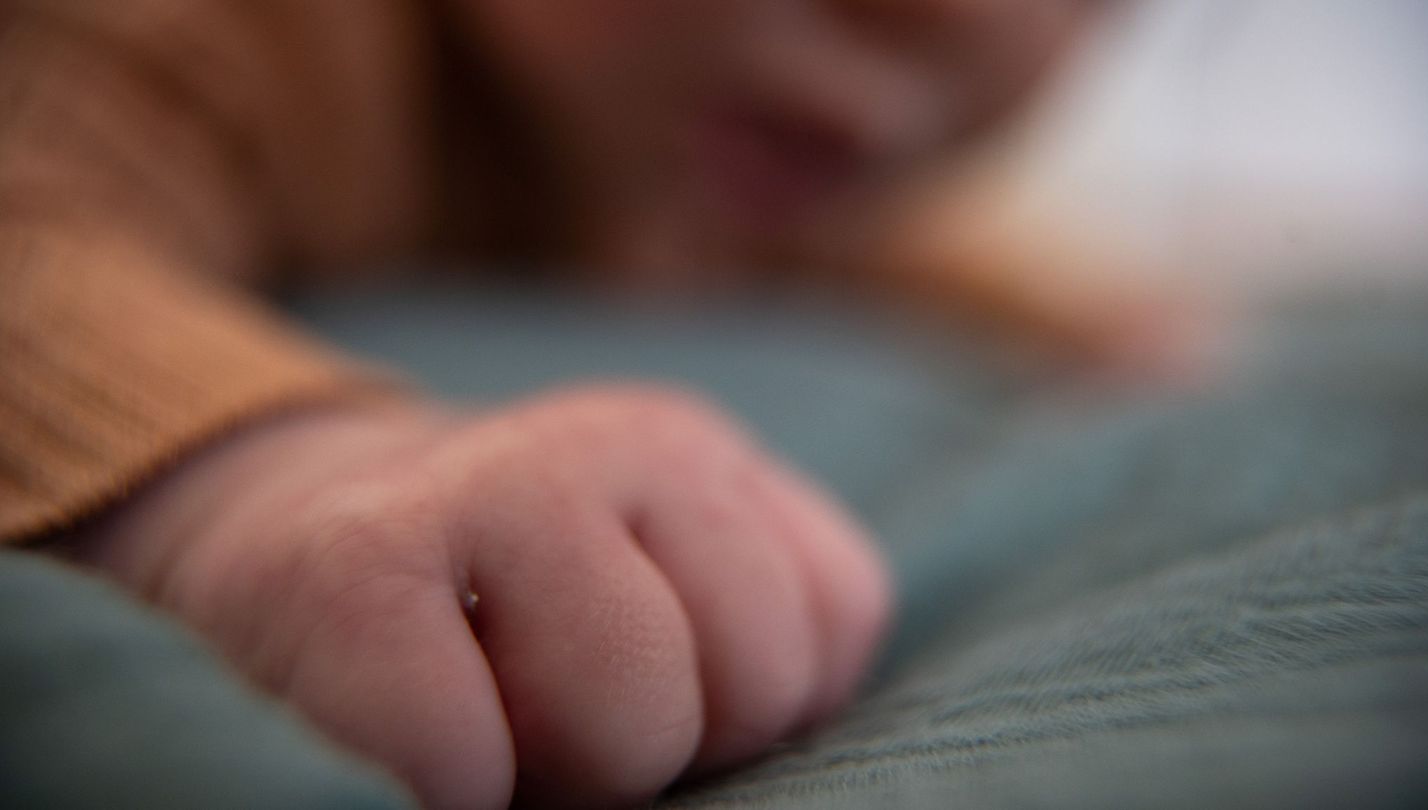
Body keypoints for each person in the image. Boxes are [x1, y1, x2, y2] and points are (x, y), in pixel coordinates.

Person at [0, 1, 1118, 807]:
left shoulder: (719, 139)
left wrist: (1080, 321)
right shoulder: (225, 32)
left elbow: (866, 249)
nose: (975, 16)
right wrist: (252, 483)